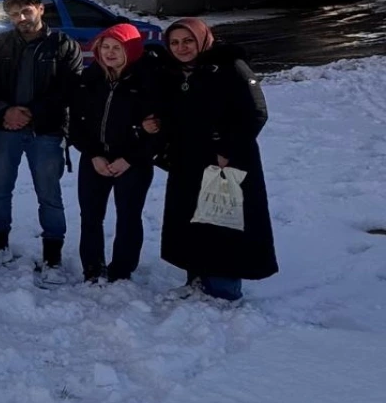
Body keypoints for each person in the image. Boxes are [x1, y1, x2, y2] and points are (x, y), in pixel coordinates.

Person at [149, 17, 277, 300]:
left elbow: (256, 112)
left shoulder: (231, 67)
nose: (181, 48)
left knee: (223, 221)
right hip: (187, 160)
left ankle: (224, 288)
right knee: (192, 219)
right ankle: (196, 279)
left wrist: (227, 150)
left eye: (188, 41)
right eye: (175, 42)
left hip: (225, 162)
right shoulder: (174, 72)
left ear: (202, 39)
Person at [0, 0, 83, 274]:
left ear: (40, 9)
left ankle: (53, 251)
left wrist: (31, 113)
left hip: (47, 131)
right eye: (14, 14)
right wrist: (5, 110)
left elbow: (69, 89)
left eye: (26, 11)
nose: (21, 18)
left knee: (49, 193)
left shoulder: (64, 45)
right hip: (4, 129)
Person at [68, 24, 159, 283]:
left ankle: (122, 269)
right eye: (105, 47)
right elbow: (76, 122)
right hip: (95, 158)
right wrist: (93, 153)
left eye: (117, 48)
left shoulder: (147, 80)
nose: (109, 53)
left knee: (129, 216)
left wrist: (129, 159)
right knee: (91, 216)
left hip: (133, 161)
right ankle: (92, 267)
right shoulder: (90, 78)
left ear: (129, 50)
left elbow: (158, 131)